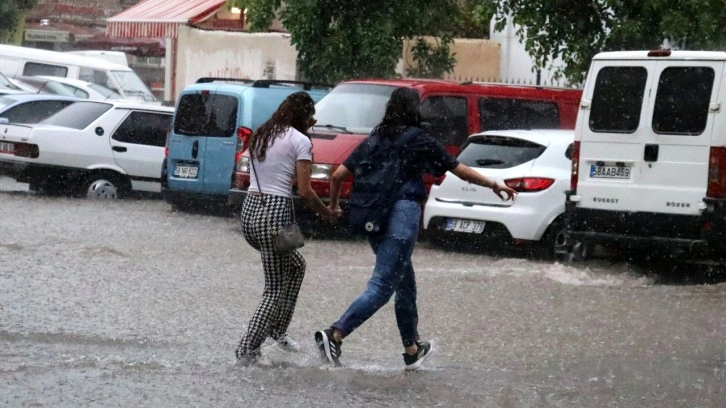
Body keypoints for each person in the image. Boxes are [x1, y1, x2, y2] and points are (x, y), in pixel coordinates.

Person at [314, 87, 517, 370]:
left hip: (374, 217)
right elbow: (457, 168)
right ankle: (335, 334)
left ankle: (411, 349)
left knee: (404, 282)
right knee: (383, 285)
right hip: (401, 213)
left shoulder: (374, 138)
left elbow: (337, 175)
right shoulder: (418, 139)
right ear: (414, 111)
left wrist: (334, 206)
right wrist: (494, 184)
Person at [235, 91, 338, 364]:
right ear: (302, 115)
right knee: (273, 289)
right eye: (311, 115)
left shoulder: (262, 133)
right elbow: (305, 191)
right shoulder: (300, 140)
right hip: (275, 215)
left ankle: (277, 331)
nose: (313, 120)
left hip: (249, 211)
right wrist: (326, 211)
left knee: (296, 266)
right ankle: (246, 349)